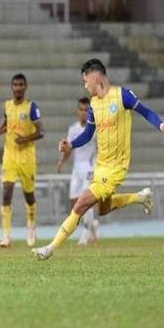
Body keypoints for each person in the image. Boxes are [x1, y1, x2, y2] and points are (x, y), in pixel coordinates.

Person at [32, 58, 164, 260]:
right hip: (100, 166)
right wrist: (71, 145)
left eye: (86, 81)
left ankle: (50, 248)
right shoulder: (93, 105)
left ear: (95, 77)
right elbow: (87, 134)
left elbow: (145, 112)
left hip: (116, 167)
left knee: (81, 204)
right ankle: (141, 197)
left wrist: (162, 125)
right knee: (104, 209)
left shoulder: (122, 96)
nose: (85, 86)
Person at [0, 73, 44, 248]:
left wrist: (25, 139)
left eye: (21, 84)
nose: (18, 87)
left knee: (29, 196)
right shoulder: (7, 106)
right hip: (10, 156)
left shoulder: (31, 107)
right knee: (6, 193)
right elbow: (7, 123)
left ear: (25, 87)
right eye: (15, 84)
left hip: (27, 157)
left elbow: (41, 131)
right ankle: (6, 236)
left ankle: (31, 225)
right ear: (11, 87)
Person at [57, 97, 98, 245]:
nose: (83, 113)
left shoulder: (94, 129)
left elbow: (100, 147)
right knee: (74, 201)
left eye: (86, 110)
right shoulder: (73, 129)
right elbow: (69, 148)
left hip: (89, 167)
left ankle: (86, 232)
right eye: (81, 109)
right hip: (77, 168)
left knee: (85, 201)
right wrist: (62, 161)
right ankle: (92, 225)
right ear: (77, 111)